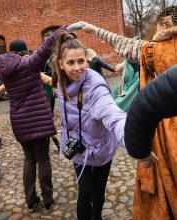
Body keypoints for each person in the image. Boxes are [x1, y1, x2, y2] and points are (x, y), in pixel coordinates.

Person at [79, 5, 177, 219]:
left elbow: (123, 44)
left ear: (163, 25)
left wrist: (94, 29)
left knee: (165, 172)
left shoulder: (153, 49)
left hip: (166, 126)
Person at [0, 26, 66, 211]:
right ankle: (48, 200)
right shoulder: (30, 63)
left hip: (19, 120)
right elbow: (46, 46)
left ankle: (31, 200)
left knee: (29, 159)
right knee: (43, 159)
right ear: (23, 51)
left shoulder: (3, 69)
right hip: (39, 117)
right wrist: (62, 30)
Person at [52, 31, 126, 220]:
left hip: (101, 148)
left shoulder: (95, 86)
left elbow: (113, 113)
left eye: (81, 61)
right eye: (71, 63)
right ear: (61, 64)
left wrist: (131, 137)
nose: (77, 67)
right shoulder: (60, 82)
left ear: (87, 60)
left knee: (98, 193)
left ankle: (98, 216)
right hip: (78, 146)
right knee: (85, 191)